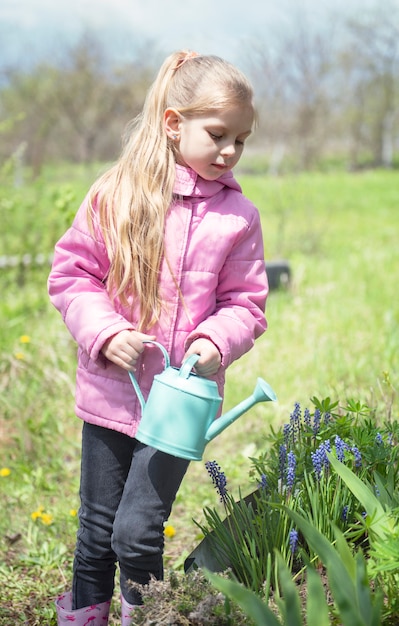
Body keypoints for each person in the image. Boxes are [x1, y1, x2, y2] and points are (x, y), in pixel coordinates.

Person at [48, 50, 268, 626]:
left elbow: (244, 303)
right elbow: (73, 275)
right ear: (174, 124)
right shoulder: (116, 194)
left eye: (240, 140)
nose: (229, 151)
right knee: (96, 529)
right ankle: (85, 616)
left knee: (137, 530)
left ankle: (146, 618)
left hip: (179, 404)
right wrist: (104, 331)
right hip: (111, 391)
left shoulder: (238, 217)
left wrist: (216, 342)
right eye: (218, 134)